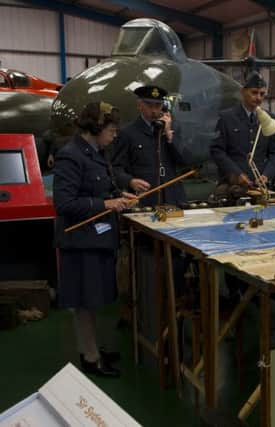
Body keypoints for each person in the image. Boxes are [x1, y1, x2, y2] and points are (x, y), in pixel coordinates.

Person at [53, 102, 137, 377]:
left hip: (97, 240)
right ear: (97, 129)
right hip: (80, 243)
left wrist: (120, 197)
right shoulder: (71, 155)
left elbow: (104, 186)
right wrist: (105, 204)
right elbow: (64, 203)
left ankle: (95, 348)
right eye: (111, 130)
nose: (114, 135)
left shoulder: (97, 152)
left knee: (95, 299)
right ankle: (90, 358)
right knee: (85, 303)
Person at [111, 84, 187, 207]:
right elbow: (115, 168)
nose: (154, 110)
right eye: (149, 105)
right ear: (140, 105)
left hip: (172, 197)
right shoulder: (128, 133)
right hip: (145, 198)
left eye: (158, 106)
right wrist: (129, 181)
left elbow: (184, 160)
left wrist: (169, 136)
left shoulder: (171, 129)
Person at [211, 71, 275, 197]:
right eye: (254, 92)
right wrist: (236, 173)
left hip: (260, 187)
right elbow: (217, 151)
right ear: (243, 92)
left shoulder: (270, 120)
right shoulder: (226, 118)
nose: (258, 98)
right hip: (232, 185)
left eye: (262, 94)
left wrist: (267, 175)